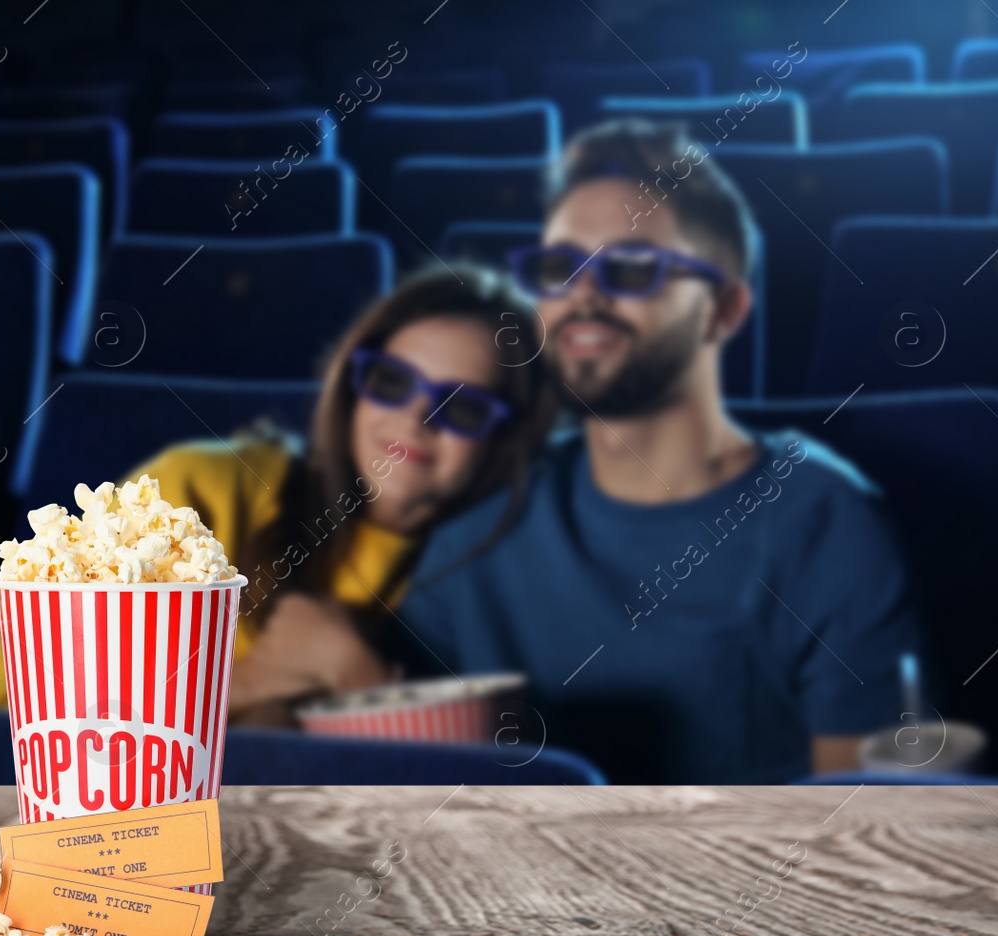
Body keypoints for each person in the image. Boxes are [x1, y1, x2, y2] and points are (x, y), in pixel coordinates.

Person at [392, 120, 924, 783]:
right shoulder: (485, 506)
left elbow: (861, 835)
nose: (583, 293)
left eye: (633, 268)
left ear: (723, 310)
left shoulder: (823, 521)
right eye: (558, 268)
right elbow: (395, 771)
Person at [131, 267, 556, 724]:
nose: (418, 416)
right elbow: (69, 703)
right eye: (392, 382)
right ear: (355, 391)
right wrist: (253, 686)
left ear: (508, 438)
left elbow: (482, 783)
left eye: (464, 407)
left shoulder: (504, 585)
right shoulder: (198, 487)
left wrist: (356, 675)